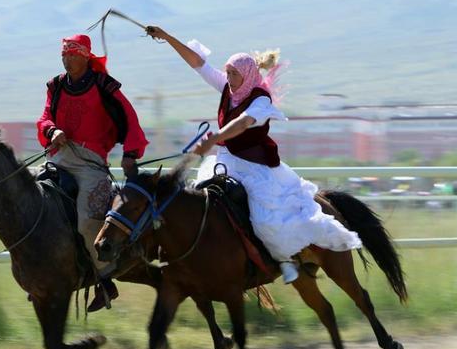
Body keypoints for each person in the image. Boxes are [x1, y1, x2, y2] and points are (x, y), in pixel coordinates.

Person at [146, 26, 361, 284]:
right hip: (225, 161)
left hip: (256, 167)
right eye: (227, 72)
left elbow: (244, 123)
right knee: (200, 203)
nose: (228, 77)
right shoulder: (228, 86)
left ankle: (285, 260)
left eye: (233, 73)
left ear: (247, 75)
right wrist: (167, 37)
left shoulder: (261, 100)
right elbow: (197, 63)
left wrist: (215, 138)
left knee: (264, 218)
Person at [36, 34, 148, 310]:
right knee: (32, 201)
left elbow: (129, 118)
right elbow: (45, 116)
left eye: (72, 54)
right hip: (58, 156)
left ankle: (105, 280)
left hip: (91, 162)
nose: (66, 58)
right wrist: (52, 130)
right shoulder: (56, 85)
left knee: (87, 221)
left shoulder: (104, 86)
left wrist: (131, 154)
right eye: (64, 54)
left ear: (85, 56)